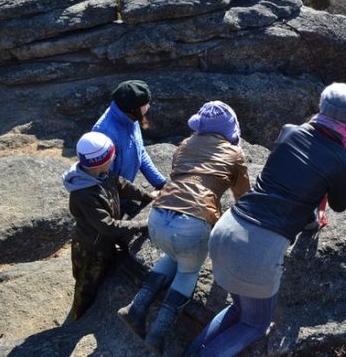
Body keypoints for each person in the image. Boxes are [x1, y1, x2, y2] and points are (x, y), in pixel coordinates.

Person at [185, 82, 346, 356]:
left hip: (226, 229)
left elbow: (292, 183)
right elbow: (339, 205)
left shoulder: (290, 132)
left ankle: (192, 350)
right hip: (257, 250)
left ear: (322, 107)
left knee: (237, 309)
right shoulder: (342, 159)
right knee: (256, 324)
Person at [117, 101, 251, 355]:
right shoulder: (234, 154)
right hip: (192, 224)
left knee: (172, 255)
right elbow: (242, 197)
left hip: (158, 218)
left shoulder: (185, 144)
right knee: (188, 272)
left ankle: (136, 308)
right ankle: (158, 333)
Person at [62, 131, 155, 321]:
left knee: (103, 274)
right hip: (91, 248)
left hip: (103, 242)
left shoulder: (102, 174)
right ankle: (78, 319)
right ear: (99, 161)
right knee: (86, 285)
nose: (114, 158)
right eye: (111, 155)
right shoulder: (84, 194)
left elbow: (122, 185)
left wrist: (147, 196)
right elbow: (108, 226)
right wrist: (142, 224)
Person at [93, 80, 166, 215]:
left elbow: (140, 151)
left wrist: (160, 182)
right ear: (133, 108)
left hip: (125, 193)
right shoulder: (105, 133)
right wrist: (135, 199)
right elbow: (106, 178)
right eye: (146, 104)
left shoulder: (129, 118)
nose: (149, 106)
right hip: (113, 200)